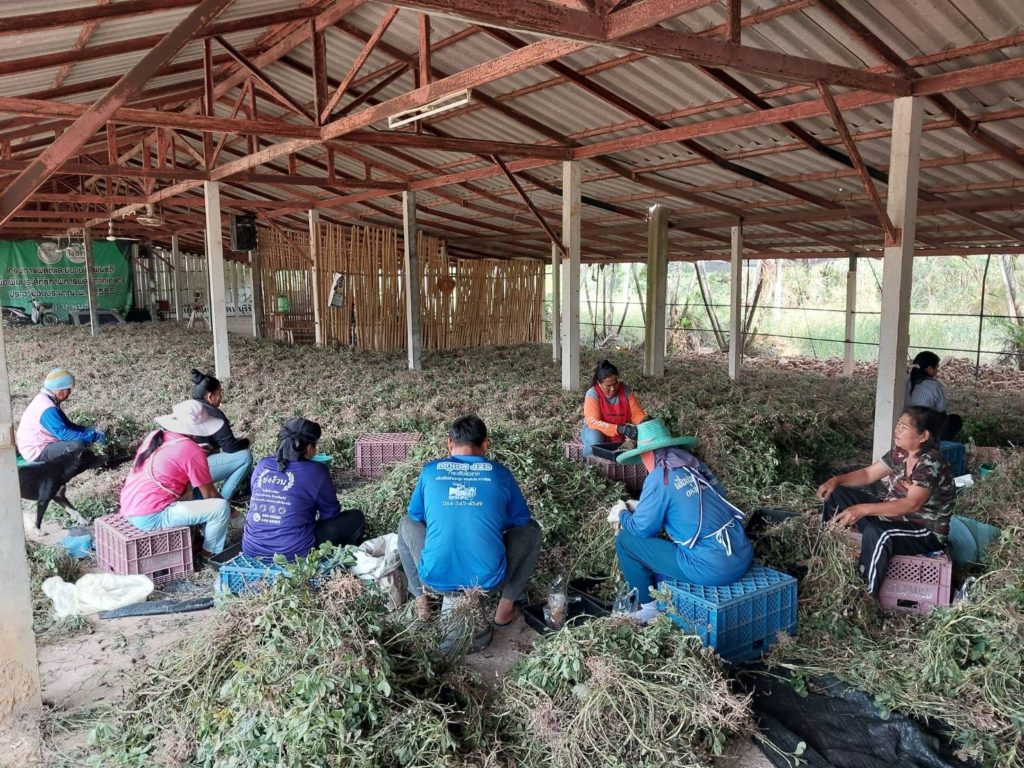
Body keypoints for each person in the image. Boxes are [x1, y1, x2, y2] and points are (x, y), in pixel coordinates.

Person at [397, 415, 542, 653]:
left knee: (405, 524)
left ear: (449, 444)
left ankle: (421, 602)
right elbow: (521, 521)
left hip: (435, 577)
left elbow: (416, 517)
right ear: (485, 444)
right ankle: (505, 610)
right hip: (486, 581)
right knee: (533, 531)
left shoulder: (430, 471)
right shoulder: (500, 473)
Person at [612, 418, 753, 623]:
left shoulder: (660, 476)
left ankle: (649, 607)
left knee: (625, 541)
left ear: (647, 453)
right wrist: (641, 506)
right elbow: (690, 504)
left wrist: (622, 514)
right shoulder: (694, 465)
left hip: (712, 568)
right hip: (741, 553)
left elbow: (642, 530)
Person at [817, 406, 956, 599]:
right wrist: (836, 480)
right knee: (837, 494)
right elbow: (868, 474)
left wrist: (862, 509)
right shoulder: (900, 453)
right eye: (898, 425)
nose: (897, 430)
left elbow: (911, 505)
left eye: (904, 427)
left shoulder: (931, 464)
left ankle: (864, 594)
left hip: (923, 530)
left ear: (923, 435)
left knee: (878, 533)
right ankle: (823, 551)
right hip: (893, 516)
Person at [119, 400, 230, 557]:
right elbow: (210, 495)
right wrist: (235, 516)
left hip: (129, 506)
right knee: (220, 508)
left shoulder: (155, 436)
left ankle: (197, 538)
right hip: (151, 516)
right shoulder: (192, 451)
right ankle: (209, 554)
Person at [243, 418, 365, 561]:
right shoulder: (316, 471)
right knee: (356, 518)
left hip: (252, 549)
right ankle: (345, 560)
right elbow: (330, 514)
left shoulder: (262, 465)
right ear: (308, 448)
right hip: (294, 553)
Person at [16, 368, 107, 511]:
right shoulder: (47, 408)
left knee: (82, 437)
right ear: (59, 390)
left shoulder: (48, 399)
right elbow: (64, 434)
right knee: (77, 446)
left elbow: (68, 425)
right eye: (68, 389)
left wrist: (87, 430)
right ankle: (93, 464)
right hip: (36, 450)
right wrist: (92, 436)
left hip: (43, 443)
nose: (69, 393)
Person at [190, 369, 253, 503]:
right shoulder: (213, 413)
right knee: (245, 457)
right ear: (210, 396)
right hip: (192, 469)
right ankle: (222, 503)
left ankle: (199, 499)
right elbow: (231, 448)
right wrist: (246, 441)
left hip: (177, 469)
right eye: (219, 394)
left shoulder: (187, 408)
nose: (221, 398)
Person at [582, 360, 647, 457]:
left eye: (615, 383)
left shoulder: (626, 390)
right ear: (599, 384)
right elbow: (593, 422)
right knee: (595, 440)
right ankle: (589, 464)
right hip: (595, 430)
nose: (613, 388)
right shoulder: (592, 393)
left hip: (618, 432)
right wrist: (620, 429)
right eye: (608, 386)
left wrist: (644, 421)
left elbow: (635, 413)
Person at [905, 351, 962, 440]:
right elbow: (941, 408)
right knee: (954, 420)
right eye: (936, 367)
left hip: (907, 420)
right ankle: (939, 442)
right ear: (929, 368)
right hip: (925, 426)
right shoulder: (934, 385)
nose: (937, 370)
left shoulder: (907, 380)